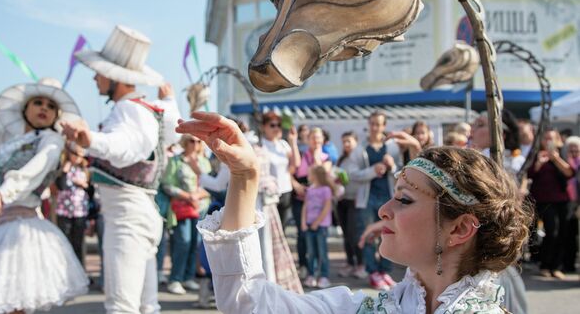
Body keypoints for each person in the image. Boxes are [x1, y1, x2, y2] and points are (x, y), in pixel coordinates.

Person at [177, 112, 532, 314]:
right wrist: (244, 177)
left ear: (460, 230)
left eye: (405, 200)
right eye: (393, 196)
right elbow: (250, 303)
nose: (384, 210)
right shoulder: (367, 307)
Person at [0, 58, 88, 313]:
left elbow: (35, 169)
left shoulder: (51, 141)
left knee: (17, 302)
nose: (44, 108)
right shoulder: (10, 141)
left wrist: (5, 190)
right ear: (25, 108)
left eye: (50, 105)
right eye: (38, 102)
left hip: (24, 229)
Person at [60, 25, 180, 314]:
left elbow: (126, 148)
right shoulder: (148, 109)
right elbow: (173, 129)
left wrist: (90, 139)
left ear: (115, 77)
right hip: (141, 211)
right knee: (144, 304)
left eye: (99, 72)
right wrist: (170, 101)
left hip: (128, 215)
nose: (94, 77)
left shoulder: (128, 109)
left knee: (122, 306)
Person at [469, 109, 528, 313]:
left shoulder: (507, 164)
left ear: (499, 135)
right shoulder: (473, 158)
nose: (473, 129)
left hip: (492, 237)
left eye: (480, 125)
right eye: (474, 124)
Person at [161, 134, 211, 295]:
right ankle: (175, 278)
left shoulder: (204, 161)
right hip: (182, 207)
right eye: (192, 140)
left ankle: (188, 277)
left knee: (196, 243)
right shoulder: (176, 161)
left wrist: (197, 196)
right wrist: (188, 196)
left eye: (198, 141)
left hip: (201, 208)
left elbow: (211, 184)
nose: (195, 144)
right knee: (182, 241)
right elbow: (167, 184)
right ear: (185, 142)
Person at [359, 111, 402, 290]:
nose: (375, 127)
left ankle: (385, 271)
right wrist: (372, 170)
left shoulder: (392, 147)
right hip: (367, 198)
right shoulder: (360, 147)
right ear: (369, 124)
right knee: (369, 235)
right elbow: (353, 173)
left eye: (379, 124)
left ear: (384, 126)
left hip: (388, 197)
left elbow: (402, 172)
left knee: (388, 233)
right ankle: (372, 272)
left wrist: (392, 166)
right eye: (373, 123)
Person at [527, 129, 574, 279]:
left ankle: (556, 266)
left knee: (562, 232)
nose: (548, 142)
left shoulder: (562, 153)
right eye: (546, 139)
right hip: (543, 199)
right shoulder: (536, 154)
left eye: (551, 139)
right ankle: (545, 264)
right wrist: (539, 164)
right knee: (551, 231)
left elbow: (569, 173)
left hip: (562, 199)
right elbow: (529, 174)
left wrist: (556, 159)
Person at [292, 127, 331, 278]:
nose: (315, 140)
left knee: (319, 241)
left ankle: (321, 273)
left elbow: (322, 174)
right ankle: (304, 266)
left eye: (318, 137)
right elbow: (290, 172)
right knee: (302, 234)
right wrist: (297, 186)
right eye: (312, 137)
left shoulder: (326, 157)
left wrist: (316, 156)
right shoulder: (301, 154)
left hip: (319, 203)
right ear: (307, 139)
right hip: (301, 198)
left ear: (323, 139)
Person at [259, 111, 300, 231]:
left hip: (286, 191)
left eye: (278, 125)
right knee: (269, 230)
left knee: (282, 228)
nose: (276, 128)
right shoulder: (260, 145)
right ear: (263, 127)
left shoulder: (283, 144)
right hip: (269, 193)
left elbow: (295, 164)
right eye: (272, 125)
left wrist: (293, 142)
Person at [334, 132, 365, 279]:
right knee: (346, 234)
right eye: (344, 141)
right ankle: (350, 263)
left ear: (356, 142)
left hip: (356, 200)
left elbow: (362, 176)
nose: (346, 144)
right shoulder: (342, 159)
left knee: (355, 234)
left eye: (349, 141)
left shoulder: (361, 157)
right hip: (342, 200)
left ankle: (361, 264)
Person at [54, 143, 90, 265]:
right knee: (64, 241)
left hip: (79, 211)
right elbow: (61, 186)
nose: (77, 158)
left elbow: (91, 190)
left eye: (80, 155)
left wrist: (83, 184)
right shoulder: (63, 168)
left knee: (77, 243)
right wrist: (64, 170)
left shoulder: (84, 170)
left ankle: (80, 271)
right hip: (64, 210)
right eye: (75, 154)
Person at [301, 165, 334, 289]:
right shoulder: (310, 189)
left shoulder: (326, 190)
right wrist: (303, 222)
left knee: (322, 252)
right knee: (310, 252)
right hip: (309, 225)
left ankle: (324, 276)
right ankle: (311, 274)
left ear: (316, 176)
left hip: (321, 227)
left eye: (310, 174)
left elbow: (327, 207)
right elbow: (305, 206)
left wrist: (317, 222)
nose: (308, 176)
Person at [564, 136, 580, 272]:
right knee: (568, 233)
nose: (574, 152)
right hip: (567, 201)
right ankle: (567, 263)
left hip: (577, 201)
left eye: (577, 150)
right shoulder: (564, 162)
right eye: (571, 150)